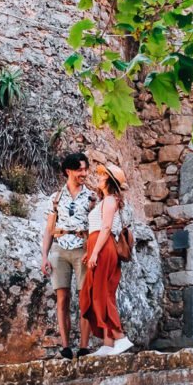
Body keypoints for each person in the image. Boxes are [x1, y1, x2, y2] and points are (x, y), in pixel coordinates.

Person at [41, 151, 95, 359]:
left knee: (84, 299)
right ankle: (65, 346)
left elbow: (96, 227)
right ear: (68, 171)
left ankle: (83, 346)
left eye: (85, 169)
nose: (84, 173)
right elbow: (49, 229)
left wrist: (91, 251)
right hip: (60, 249)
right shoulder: (56, 198)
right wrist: (44, 256)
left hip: (82, 249)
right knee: (62, 298)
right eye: (80, 169)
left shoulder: (92, 197)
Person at [80, 162, 133, 356]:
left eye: (103, 176)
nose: (99, 178)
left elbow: (106, 228)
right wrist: (90, 251)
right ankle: (108, 343)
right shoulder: (105, 201)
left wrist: (94, 253)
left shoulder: (111, 200)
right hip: (98, 246)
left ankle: (120, 337)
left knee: (101, 293)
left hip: (104, 248)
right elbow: (96, 229)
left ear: (110, 181)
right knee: (98, 292)